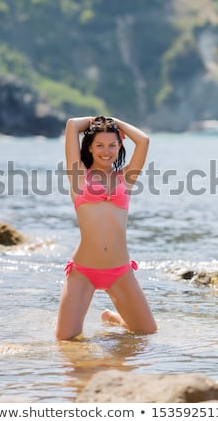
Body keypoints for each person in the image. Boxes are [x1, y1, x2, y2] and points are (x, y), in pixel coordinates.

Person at [55, 116, 157, 340]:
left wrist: (116, 123)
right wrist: (98, 121)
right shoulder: (78, 175)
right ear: (89, 147)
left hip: (119, 271)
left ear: (120, 145)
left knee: (147, 333)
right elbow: (72, 125)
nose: (106, 151)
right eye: (99, 145)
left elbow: (144, 141)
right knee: (66, 341)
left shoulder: (126, 178)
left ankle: (114, 318)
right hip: (83, 272)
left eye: (112, 145)